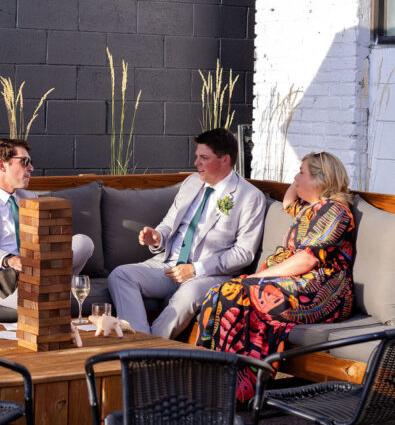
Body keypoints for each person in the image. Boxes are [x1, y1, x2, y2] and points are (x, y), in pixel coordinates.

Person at [198, 151, 355, 402]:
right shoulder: (310, 209)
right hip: (296, 283)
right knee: (220, 293)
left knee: (235, 291)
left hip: (322, 291)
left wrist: (257, 278)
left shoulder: (334, 211)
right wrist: (300, 179)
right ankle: (214, 379)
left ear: (321, 179)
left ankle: (233, 388)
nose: (295, 177)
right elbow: (287, 202)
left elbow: (308, 259)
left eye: (301, 173)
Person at [107, 128, 267, 337]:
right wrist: (158, 237)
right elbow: (169, 222)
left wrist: (196, 269)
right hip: (168, 266)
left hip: (208, 274)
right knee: (121, 275)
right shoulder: (191, 182)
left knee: (189, 293)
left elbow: (243, 253)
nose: (196, 163)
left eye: (203, 158)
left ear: (225, 160)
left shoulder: (249, 197)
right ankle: (141, 341)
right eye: (196, 157)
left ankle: (145, 349)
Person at [0, 138, 94, 306]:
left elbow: (44, 241)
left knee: (83, 242)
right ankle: (50, 285)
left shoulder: (29, 197)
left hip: (33, 267)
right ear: (2, 166)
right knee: (34, 296)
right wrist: (10, 260)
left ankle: (45, 282)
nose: (31, 168)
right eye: (25, 162)